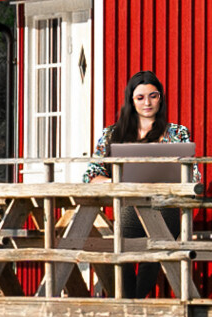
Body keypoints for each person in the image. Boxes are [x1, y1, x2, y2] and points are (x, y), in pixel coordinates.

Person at [83, 70, 198, 297]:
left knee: (156, 242)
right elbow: (91, 174)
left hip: (167, 204)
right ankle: (129, 300)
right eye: (141, 97)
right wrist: (117, 182)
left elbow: (193, 175)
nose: (148, 102)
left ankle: (133, 301)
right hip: (129, 204)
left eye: (153, 96)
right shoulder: (113, 134)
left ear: (161, 98)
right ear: (131, 100)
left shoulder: (177, 133)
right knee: (124, 244)